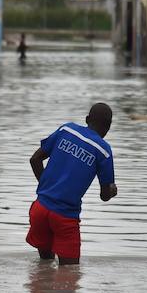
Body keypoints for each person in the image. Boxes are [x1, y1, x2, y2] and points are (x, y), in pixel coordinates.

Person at [27, 103, 117, 265]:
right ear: (108, 127)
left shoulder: (66, 130)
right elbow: (104, 196)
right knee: (68, 279)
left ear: (87, 119)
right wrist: (112, 190)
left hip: (40, 209)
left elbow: (34, 160)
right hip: (65, 217)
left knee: (43, 269)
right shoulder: (103, 150)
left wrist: (49, 188)